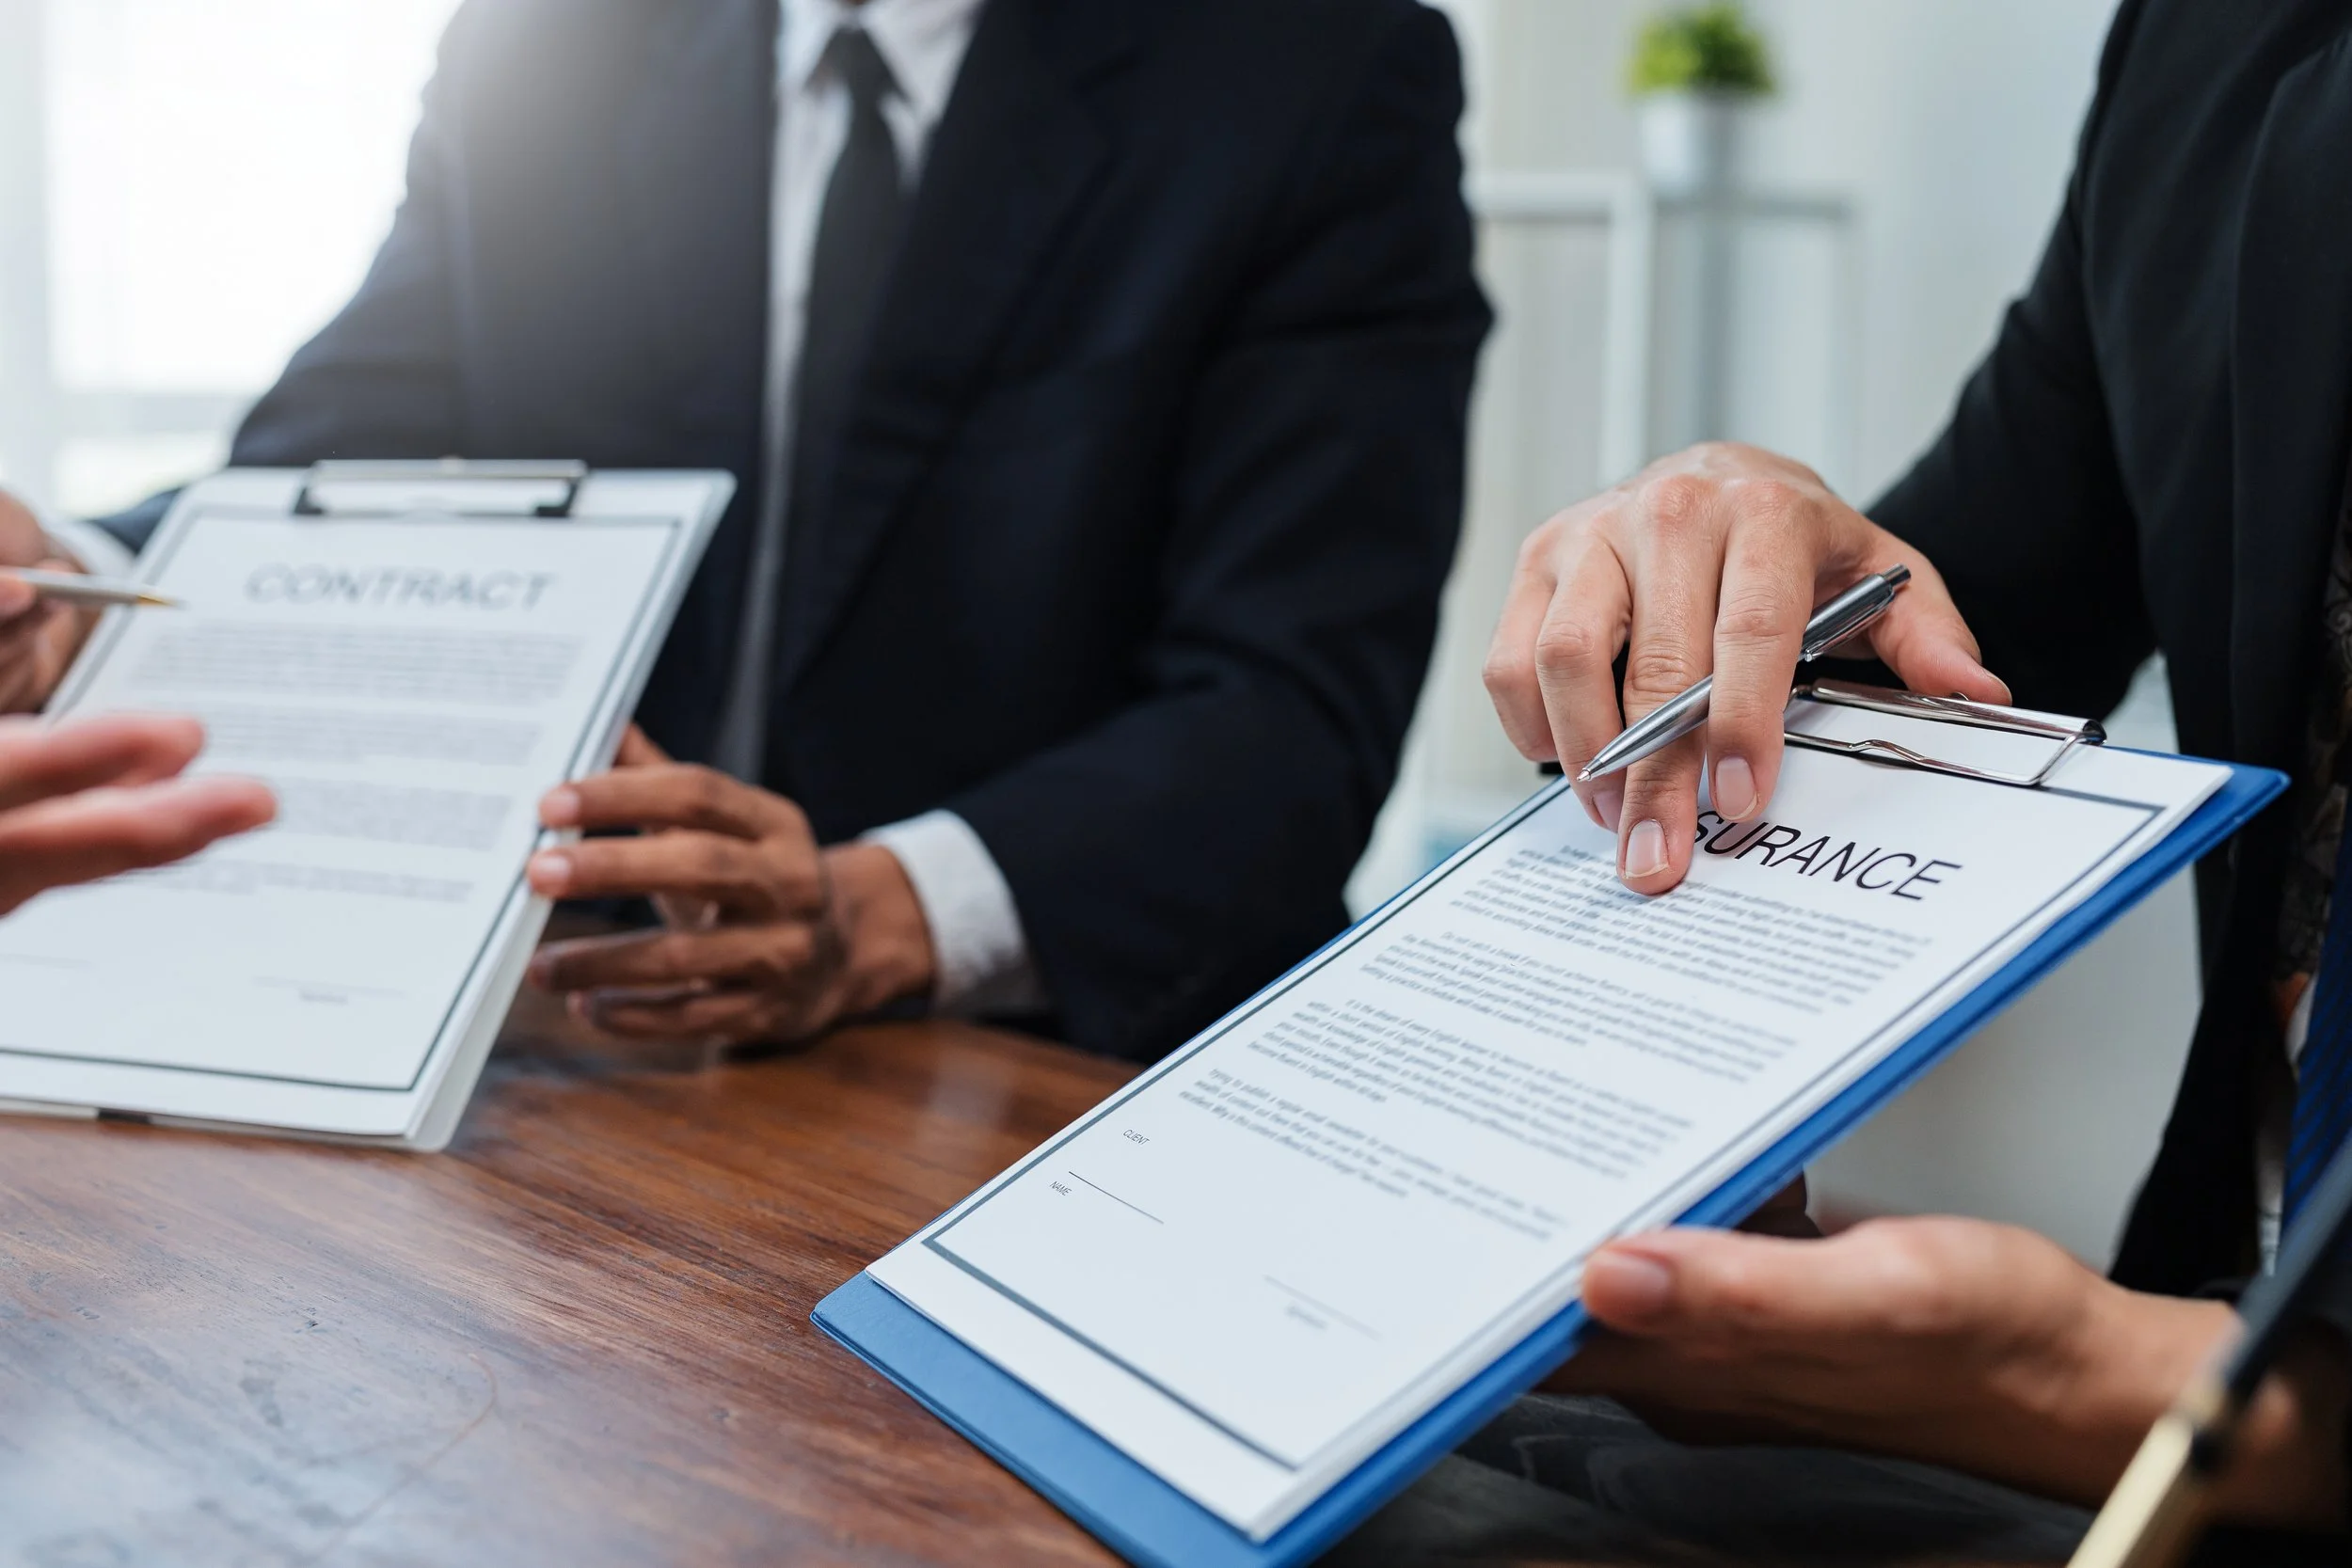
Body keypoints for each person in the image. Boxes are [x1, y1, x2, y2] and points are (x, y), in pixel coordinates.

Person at [0, 0, 1488, 1064]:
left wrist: (883, 910)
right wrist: (70, 587)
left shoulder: (1318, 66)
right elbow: (324, 472)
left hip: (1049, 1072)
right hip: (569, 1038)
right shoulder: (544, 45)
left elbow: (1293, 704)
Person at [1479, 0, 2351, 1539]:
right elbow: (1965, 634)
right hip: (2211, 1367)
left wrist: (2083, 1376)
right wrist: (1740, 550)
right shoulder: (2215, 41)